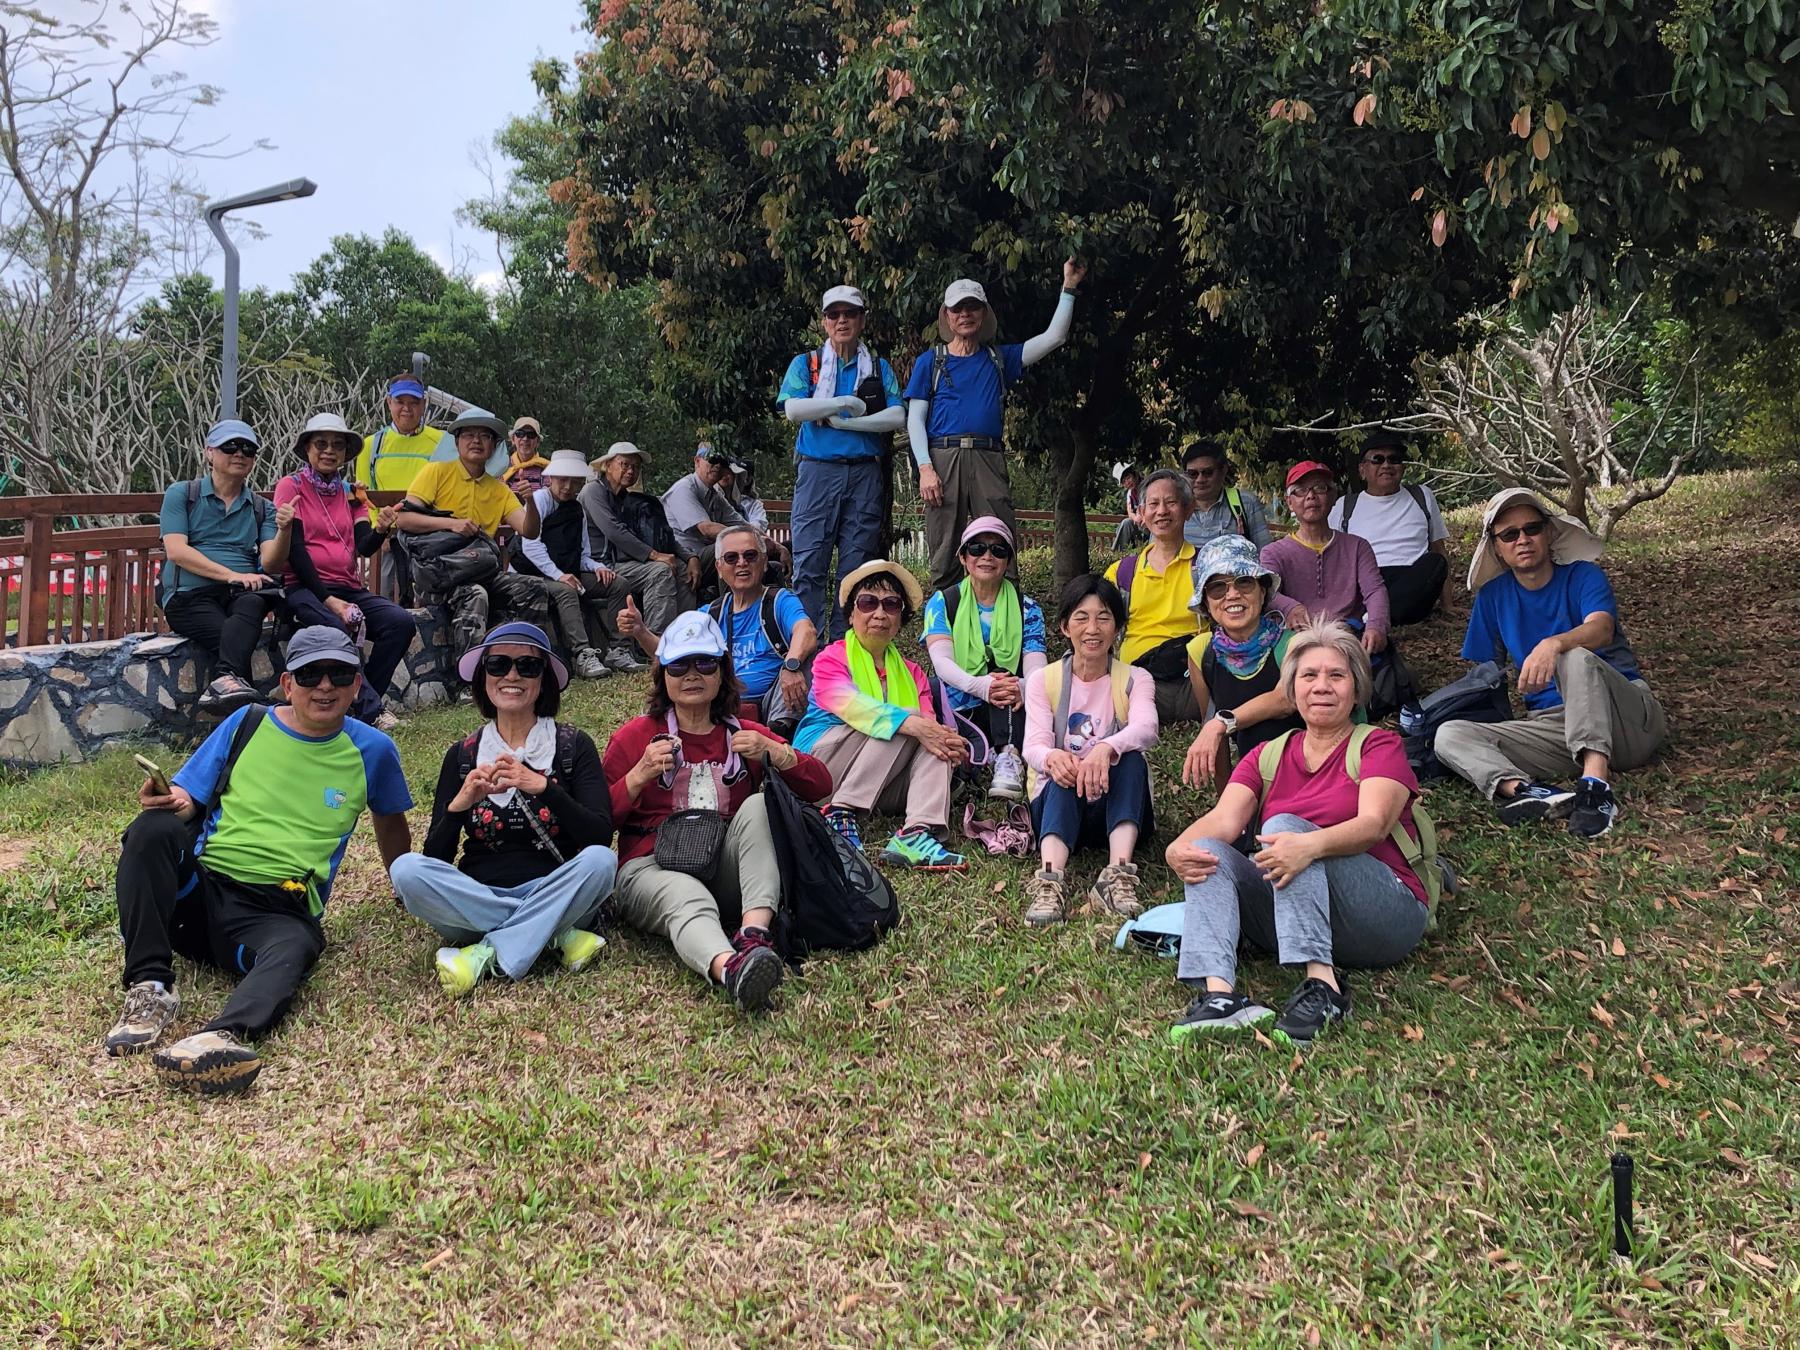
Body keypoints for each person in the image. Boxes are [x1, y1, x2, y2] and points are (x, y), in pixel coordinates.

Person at [103, 626, 413, 1093]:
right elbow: (189, 798)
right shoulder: (246, 722)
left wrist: (404, 886)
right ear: (287, 684)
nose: (324, 686)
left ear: (356, 685)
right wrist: (170, 801)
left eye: (338, 674)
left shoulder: (373, 750)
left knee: (298, 945)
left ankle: (219, 1038)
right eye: (309, 674)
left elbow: (390, 824)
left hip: (275, 912)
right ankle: (150, 987)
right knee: (150, 829)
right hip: (200, 894)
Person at [1165, 621, 1430, 1048]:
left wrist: (1307, 845)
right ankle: (1220, 995)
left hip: (1385, 913)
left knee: (1283, 829)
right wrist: (1178, 848)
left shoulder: (1378, 746)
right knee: (1207, 850)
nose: (1321, 686)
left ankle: (1325, 987)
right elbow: (1224, 821)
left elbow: (1374, 825)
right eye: (1309, 676)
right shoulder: (1267, 755)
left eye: (1336, 675)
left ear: (1356, 690)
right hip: (1292, 916)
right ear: (1292, 690)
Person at [602, 612, 832, 1011]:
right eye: (679, 666)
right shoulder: (634, 737)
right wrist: (638, 775)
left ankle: (754, 934)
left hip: (722, 868)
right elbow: (598, 822)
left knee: (759, 804)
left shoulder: (743, 732)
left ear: (722, 673)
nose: (692, 674)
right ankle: (732, 969)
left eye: (705, 663)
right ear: (663, 676)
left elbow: (821, 785)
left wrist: (776, 753)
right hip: (651, 867)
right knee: (685, 893)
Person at [390, 622, 618, 996]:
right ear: (484, 677)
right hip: (478, 897)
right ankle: (551, 933)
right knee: (405, 869)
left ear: (543, 680)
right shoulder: (462, 755)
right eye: (498, 665)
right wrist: (460, 805)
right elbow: (436, 858)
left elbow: (599, 835)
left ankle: (484, 952)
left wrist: (543, 788)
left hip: (556, 889)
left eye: (527, 666)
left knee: (601, 862)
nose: (512, 676)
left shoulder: (572, 746)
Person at [1434, 488, 1667, 838]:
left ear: (1549, 533)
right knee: (1449, 734)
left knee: (1574, 657)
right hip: (1558, 729)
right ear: (1496, 547)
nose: (1523, 540)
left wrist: (1553, 644)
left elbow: (1602, 628)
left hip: (1626, 722)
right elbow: (1484, 673)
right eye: (1510, 535)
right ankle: (1529, 792)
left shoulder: (1583, 576)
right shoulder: (1493, 597)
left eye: (1532, 529)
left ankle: (1596, 788)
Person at [904, 258, 1087, 594]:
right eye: (957, 309)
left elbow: (1054, 337)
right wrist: (925, 468)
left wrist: (1069, 287)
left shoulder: (999, 359)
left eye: (972, 307)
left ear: (984, 313)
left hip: (988, 457)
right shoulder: (931, 361)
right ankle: (945, 621)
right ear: (947, 316)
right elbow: (915, 419)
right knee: (944, 550)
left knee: (1000, 542)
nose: (965, 314)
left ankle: (1008, 617)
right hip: (942, 459)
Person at [794, 560, 971, 870]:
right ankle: (839, 813)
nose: (879, 613)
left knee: (932, 739)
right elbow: (852, 706)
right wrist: (916, 725)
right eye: (867, 602)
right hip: (822, 771)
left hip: (882, 780)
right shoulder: (830, 658)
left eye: (891, 604)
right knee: (910, 722)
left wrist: (948, 742)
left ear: (900, 618)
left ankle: (917, 832)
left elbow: (929, 728)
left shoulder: (914, 673)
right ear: (852, 615)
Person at [1019, 574, 1157, 926]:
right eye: (1081, 617)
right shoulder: (1043, 680)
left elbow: (1147, 728)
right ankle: (1049, 881)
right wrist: (1054, 757)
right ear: (1065, 626)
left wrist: (1106, 748)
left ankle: (1118, 875)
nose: (1092, 629)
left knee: (1130, 760)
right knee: (1062, 770)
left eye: (1104, 618)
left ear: (1118, 628)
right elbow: (1033, 746)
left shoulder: (1135, 678)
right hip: (1060, 809)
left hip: (1117, 807)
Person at [778, 284, 907, 636]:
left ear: (862, 319)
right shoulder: (807, 364)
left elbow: (897, 415)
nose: (841, 320)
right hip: (817, 471)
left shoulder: (878, 367)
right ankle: (806, 645)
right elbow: (793, 409)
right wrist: (842, 404)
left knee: (857, 567)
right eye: (833, 314)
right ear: (824, 322)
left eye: (850, 313)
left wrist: (847, 423)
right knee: (809, 563)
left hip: (865, 474)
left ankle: (844, 645)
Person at [274, 412, 416, 730]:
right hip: (303, 588)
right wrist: (329, 601)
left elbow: (364, 546)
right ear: (307, 449)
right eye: (321, 444)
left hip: (349, 586)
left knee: (400, 623)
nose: (329, 450)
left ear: (345, 453)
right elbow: (295, 551)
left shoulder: (352, 493)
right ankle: (373, 711)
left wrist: (381, 529)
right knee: (333, 629)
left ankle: (362, 704)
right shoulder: (290, 486)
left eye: (337, 445)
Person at [159, 417, 296, 715]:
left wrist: (285, 530)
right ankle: (251, 707)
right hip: (189, 595)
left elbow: (270, 562)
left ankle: (227, 686)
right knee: (231, 638)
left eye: (248, 449)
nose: (239, 453)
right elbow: (177, 551)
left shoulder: (261, 507)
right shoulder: (182, 494)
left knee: (253, 602)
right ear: (209, 452)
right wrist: (232, 575)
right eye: (230, 446)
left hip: (240, 595)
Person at [391, 410, 543, 661]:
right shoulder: (436, 472)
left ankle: (523, 658)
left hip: (480, 572)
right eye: (469, 435)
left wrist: (531, 502)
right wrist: (452, 524)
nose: (476, 441)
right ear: (457, 442)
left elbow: (529, 530)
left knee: (533, 588)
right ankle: (469, 671)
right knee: (476, 594)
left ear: (494, 446)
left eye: (485, 436)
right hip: (438, 576)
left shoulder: (499, 489)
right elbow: (404, 519)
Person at [1180, 535, 1324, 794]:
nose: (1232, 594)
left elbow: (1284, 701)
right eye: (1218, 588)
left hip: (1313, 773)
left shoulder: (1294, 644)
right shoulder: (1202, 651)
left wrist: (1221, 723)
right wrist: (1226, 802)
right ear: (1206, 602)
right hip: (1256, 779)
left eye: (1244, 582)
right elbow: (1213, 730)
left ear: (1262, 590)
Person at [920, 517, 1047, 801]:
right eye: (977, 548)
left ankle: (1008, 755)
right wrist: (982, 686)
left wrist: (1021, 686)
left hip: (1011, 704)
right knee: (997, 682)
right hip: (958, 705)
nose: (987, 556)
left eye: (998, 550)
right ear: (963, 557)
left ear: (1008, 561)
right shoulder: (942, 602)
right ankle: (985, 752)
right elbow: (942, 663)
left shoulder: (1027, 608)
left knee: (1006, 677)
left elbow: (1036, 667)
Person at [510, 450, 638, 679]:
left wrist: (597, 567)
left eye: (575, 481)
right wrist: (559, 575)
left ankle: (619, 649)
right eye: (563, 480)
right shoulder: (540, 500)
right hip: (530, 574)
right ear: (551, 478)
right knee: (567, 590)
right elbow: (531, 547)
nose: (568, 487)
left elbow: (582, 554)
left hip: (565, 570)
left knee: (618, 584)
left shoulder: (577, 509)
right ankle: (582, 654)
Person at [579, 441, 696, 660]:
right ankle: (655, 644)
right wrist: (655, 555)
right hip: (599, 565)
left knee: (682, 570)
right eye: (624, 464)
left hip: (624, 563)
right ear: (607, 466)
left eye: (636, 467)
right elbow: (614, 531)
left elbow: (660, 533)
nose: (631, 471)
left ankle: (684, 639)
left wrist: (690, 557)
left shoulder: (627, 498)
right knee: (660, 571)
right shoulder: (593, 491)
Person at [1103, 468, 1202, 725]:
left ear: (1188, 509)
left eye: (1171, 502)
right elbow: (1098, 625)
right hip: (1136, 682)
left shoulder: (1205, 566)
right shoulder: (1122, 572)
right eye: (1153, 504)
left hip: (1195, 685)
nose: (1162, 511)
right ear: (1142, 512)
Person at [1262, 461, 1390, 655]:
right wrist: (1290, 607)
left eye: (1320, 488)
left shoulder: (1358, 547)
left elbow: (1375, 590)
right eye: (1300, 490)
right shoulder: (1273, 552)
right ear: (1289, 502)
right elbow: (1266, 591)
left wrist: (1376, 625)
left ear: (1333, 496)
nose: (1311, 496)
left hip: (1347, 636)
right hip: (1297, 639)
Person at [705, 524, 817, 739]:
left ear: (764, 563)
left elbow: (806, 630)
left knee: (809, 660)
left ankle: (777, 738)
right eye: (731, 558)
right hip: (723, 705)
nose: (741, 563)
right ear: (719, 568)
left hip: (773, 706)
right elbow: (671, 651)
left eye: (750, 555)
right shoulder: (711, 613)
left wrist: (791, 665)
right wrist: (640, 630)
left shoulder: (780, 601)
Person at [1328, 433, 1451, 625]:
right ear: (1362, 470)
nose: (1386, 465)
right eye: (1377, 459)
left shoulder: (1422, 496)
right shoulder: (1345, 506)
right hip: (1367, 580)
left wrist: (1447, 604)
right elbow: (1330, 558)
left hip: (1412, 580)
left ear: (1403, 467)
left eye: (1394, 459)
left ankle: (1374, 617)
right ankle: (1378, 615)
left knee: (1436, 562)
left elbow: (1439, 548)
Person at [352, 374, 504, 492]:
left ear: (424, 404)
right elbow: (364, 499)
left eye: (414, 402)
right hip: (382, 523)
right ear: (389, 402)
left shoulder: (445, 441)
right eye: (400, 402)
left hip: (432, 523)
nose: (407, 408)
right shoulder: (371, 445)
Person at [661, 442, 750, 575]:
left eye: (722, 462)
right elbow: (707, 529)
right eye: (712, 459)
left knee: (769, 561)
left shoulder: (715, 495)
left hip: (704, 556)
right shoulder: (684, 488)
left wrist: (772, 544)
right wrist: (746, 538)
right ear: (697, 461)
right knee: (727, 549)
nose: (718, 465)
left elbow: (742, 524)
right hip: (685, 558)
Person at [1181, 442, 1274, 550]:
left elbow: (1265, 552)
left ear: (1223, 471)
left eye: (1208, 472)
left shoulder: (1245, 502)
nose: (1200, 479)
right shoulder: (1175, 507)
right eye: (1193, 474)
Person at [501, 416, 550, 496]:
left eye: (531, 435)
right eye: (520, 434)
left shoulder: (546, 470)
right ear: (513, 439)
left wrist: (530, 499)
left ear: (537, 442)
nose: (525, 438)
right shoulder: (502, 467)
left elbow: (548, 500)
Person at [723, 457, 771, 535]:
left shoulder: (754, 505)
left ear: (748, 480)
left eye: (741, 477)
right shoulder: (719, 498)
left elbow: (759, 525)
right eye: (735, 476)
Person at [1111, 463, 1148, 551]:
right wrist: (1135, 518)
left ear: (1134, 474)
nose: (1127, 482)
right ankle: (1119, 553)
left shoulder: (1147, 486)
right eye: (1124, 481)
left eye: (1128, 478)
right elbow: (1130, 511)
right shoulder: (1130, 493)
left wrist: (1142, 516)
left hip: (1152, 524)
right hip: (1140, 525)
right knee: (1126, 523)